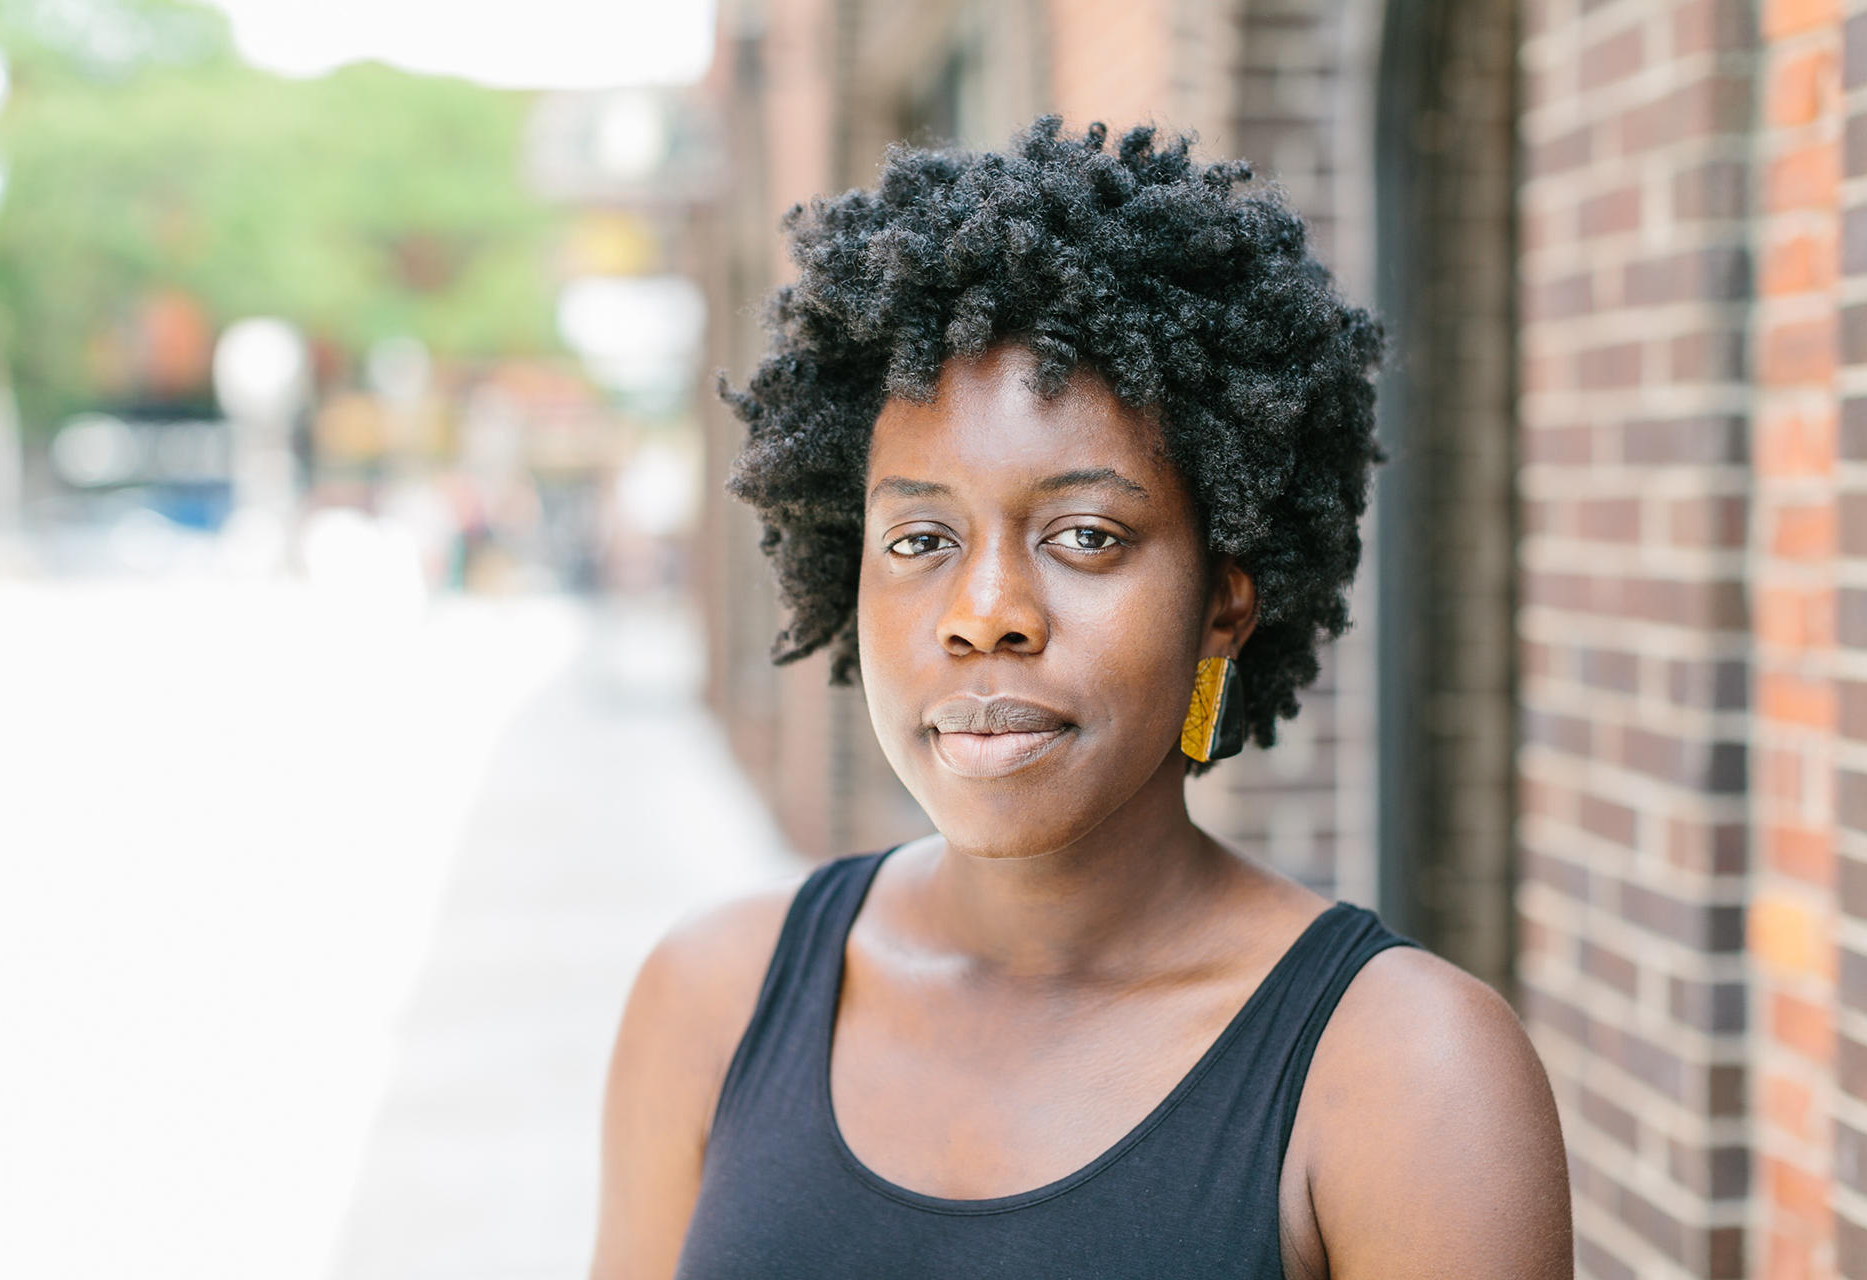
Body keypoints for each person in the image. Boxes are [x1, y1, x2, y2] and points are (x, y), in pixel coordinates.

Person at [590, 117, 1572, 1279]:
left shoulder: (1406, 1071)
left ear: (1224, 601)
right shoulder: (713, 1000)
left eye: (1087, 534)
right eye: (919, 536)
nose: (985, 609)